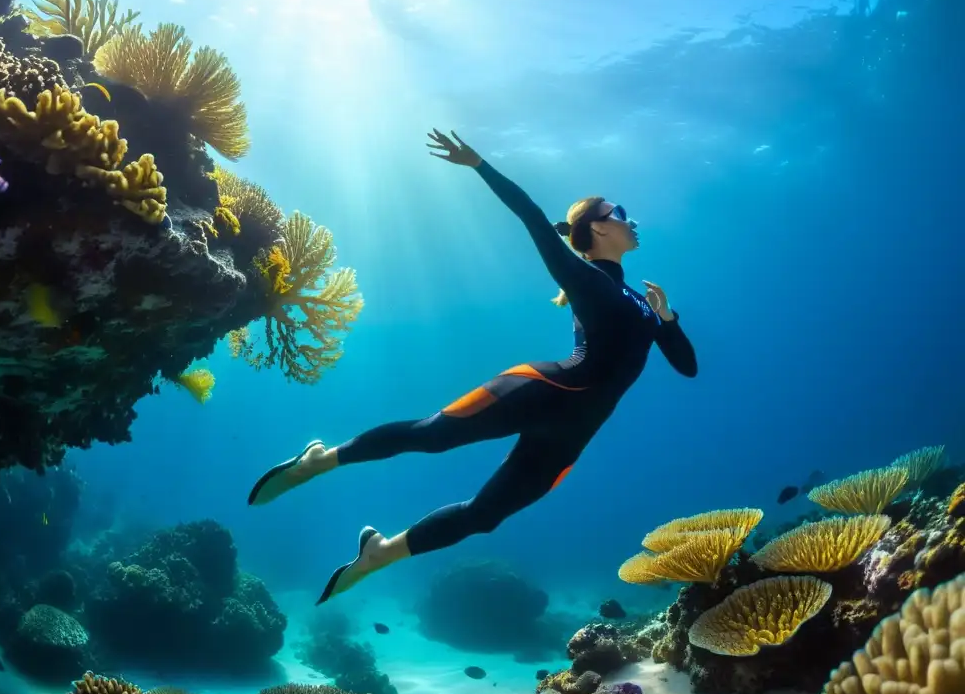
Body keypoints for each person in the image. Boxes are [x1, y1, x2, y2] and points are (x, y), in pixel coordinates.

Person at [247, 129, 698, 605]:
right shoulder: (584, 278)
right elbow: (531, 215)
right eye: (619, 214)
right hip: (544, 388)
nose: (631, 221)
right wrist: (479, 165)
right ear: (599, 228)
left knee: (484, 516)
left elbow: (687, 367)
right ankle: (321, 460)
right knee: (433, 436)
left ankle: (379, 553)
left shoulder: (644, 303)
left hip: (577, 429)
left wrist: (668, 319)